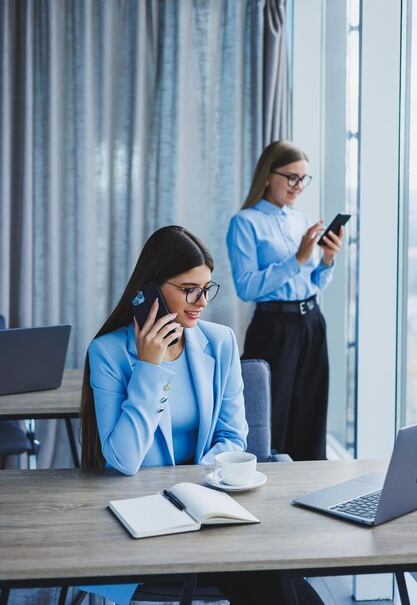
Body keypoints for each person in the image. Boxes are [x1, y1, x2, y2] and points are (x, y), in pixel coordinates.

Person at [79, 225, 324, 605]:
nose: (201, 301)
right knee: (273, 584)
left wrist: (201, 484)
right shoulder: (108, 353)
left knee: (279, 578)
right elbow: (124, 460)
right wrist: (149, 367)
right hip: (141, 518)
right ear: (150, 291)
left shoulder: (220, 341)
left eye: (207, 288)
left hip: (209, 507)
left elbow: (232, 435)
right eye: (189, 289)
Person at [226, 141, 343, 462]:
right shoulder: (245, 223)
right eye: (291, 177)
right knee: (270, 416)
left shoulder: (302, 220)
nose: (298, 186)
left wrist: (327, 260)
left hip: (311, 321)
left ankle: (309, 491)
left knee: (311, 411)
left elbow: (313, 283)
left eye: (303, 179)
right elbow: (247, 288)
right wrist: (298, 258)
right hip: (274, 327)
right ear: (267, 175)